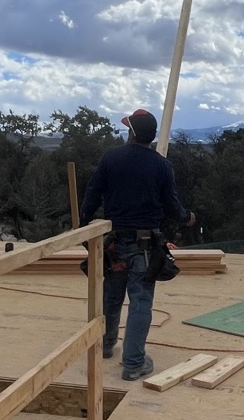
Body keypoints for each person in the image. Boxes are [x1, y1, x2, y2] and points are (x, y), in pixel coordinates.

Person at [79, 109, 195, 381]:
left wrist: (84, 229)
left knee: (112, 296)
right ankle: (133, 364)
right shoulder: (162, 166)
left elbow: (92, 195)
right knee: (140, 301)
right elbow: (172, 205)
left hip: (114, 244)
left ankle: (105, 345)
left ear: (132, 133)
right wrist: (187, 218)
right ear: (150, 136)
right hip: (144, 246)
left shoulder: (111, 158)